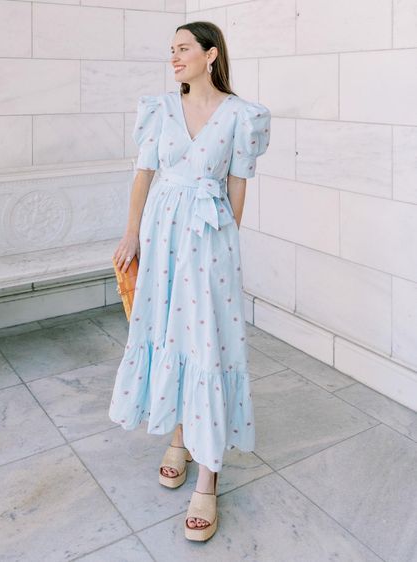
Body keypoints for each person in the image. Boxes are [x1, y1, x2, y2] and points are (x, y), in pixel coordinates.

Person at [109, 20, 271, 541]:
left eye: (183, 49)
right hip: (161, 238)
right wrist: (132, 235)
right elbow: (144, 174)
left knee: (208, 346)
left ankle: (209, 476)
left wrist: (226, 247)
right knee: (169, 338)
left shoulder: (242, 117)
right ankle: (178, 437)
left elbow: (237, 184)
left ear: (211, 54)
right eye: (171, 50)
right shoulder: (158, 110)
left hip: (210, 241)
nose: (174, 58)